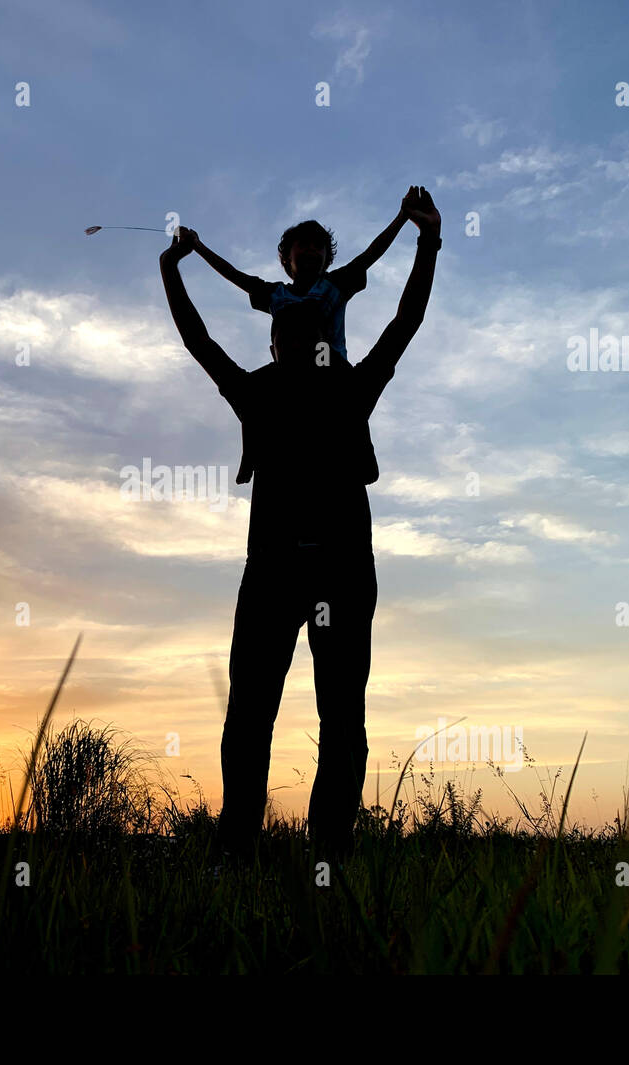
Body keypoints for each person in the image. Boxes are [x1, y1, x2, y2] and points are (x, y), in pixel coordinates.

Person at [159, 186, 441, 860]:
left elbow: (405, 320)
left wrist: (426, 240)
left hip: (334, 572)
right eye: (293, 327)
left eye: (312, 325)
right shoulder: (274, 391)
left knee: (330, 716)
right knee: (260, 715)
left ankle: (323, 853)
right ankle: (243, 850)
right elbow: (199, 339)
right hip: (281, 574)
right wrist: (174, 270)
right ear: (277, 339)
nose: (302, 331)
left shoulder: (337, 385)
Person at [192, 211, 409, 365]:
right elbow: (234, 274)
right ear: (287, 258)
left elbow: (370, 254)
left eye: (318, 246)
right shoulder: (276, 294)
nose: (311, 250)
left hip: (330, 375)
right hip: (291, 375)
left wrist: (402, 217)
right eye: (304, 245)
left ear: (327, 260)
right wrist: (198, 246)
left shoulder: (335, 284)